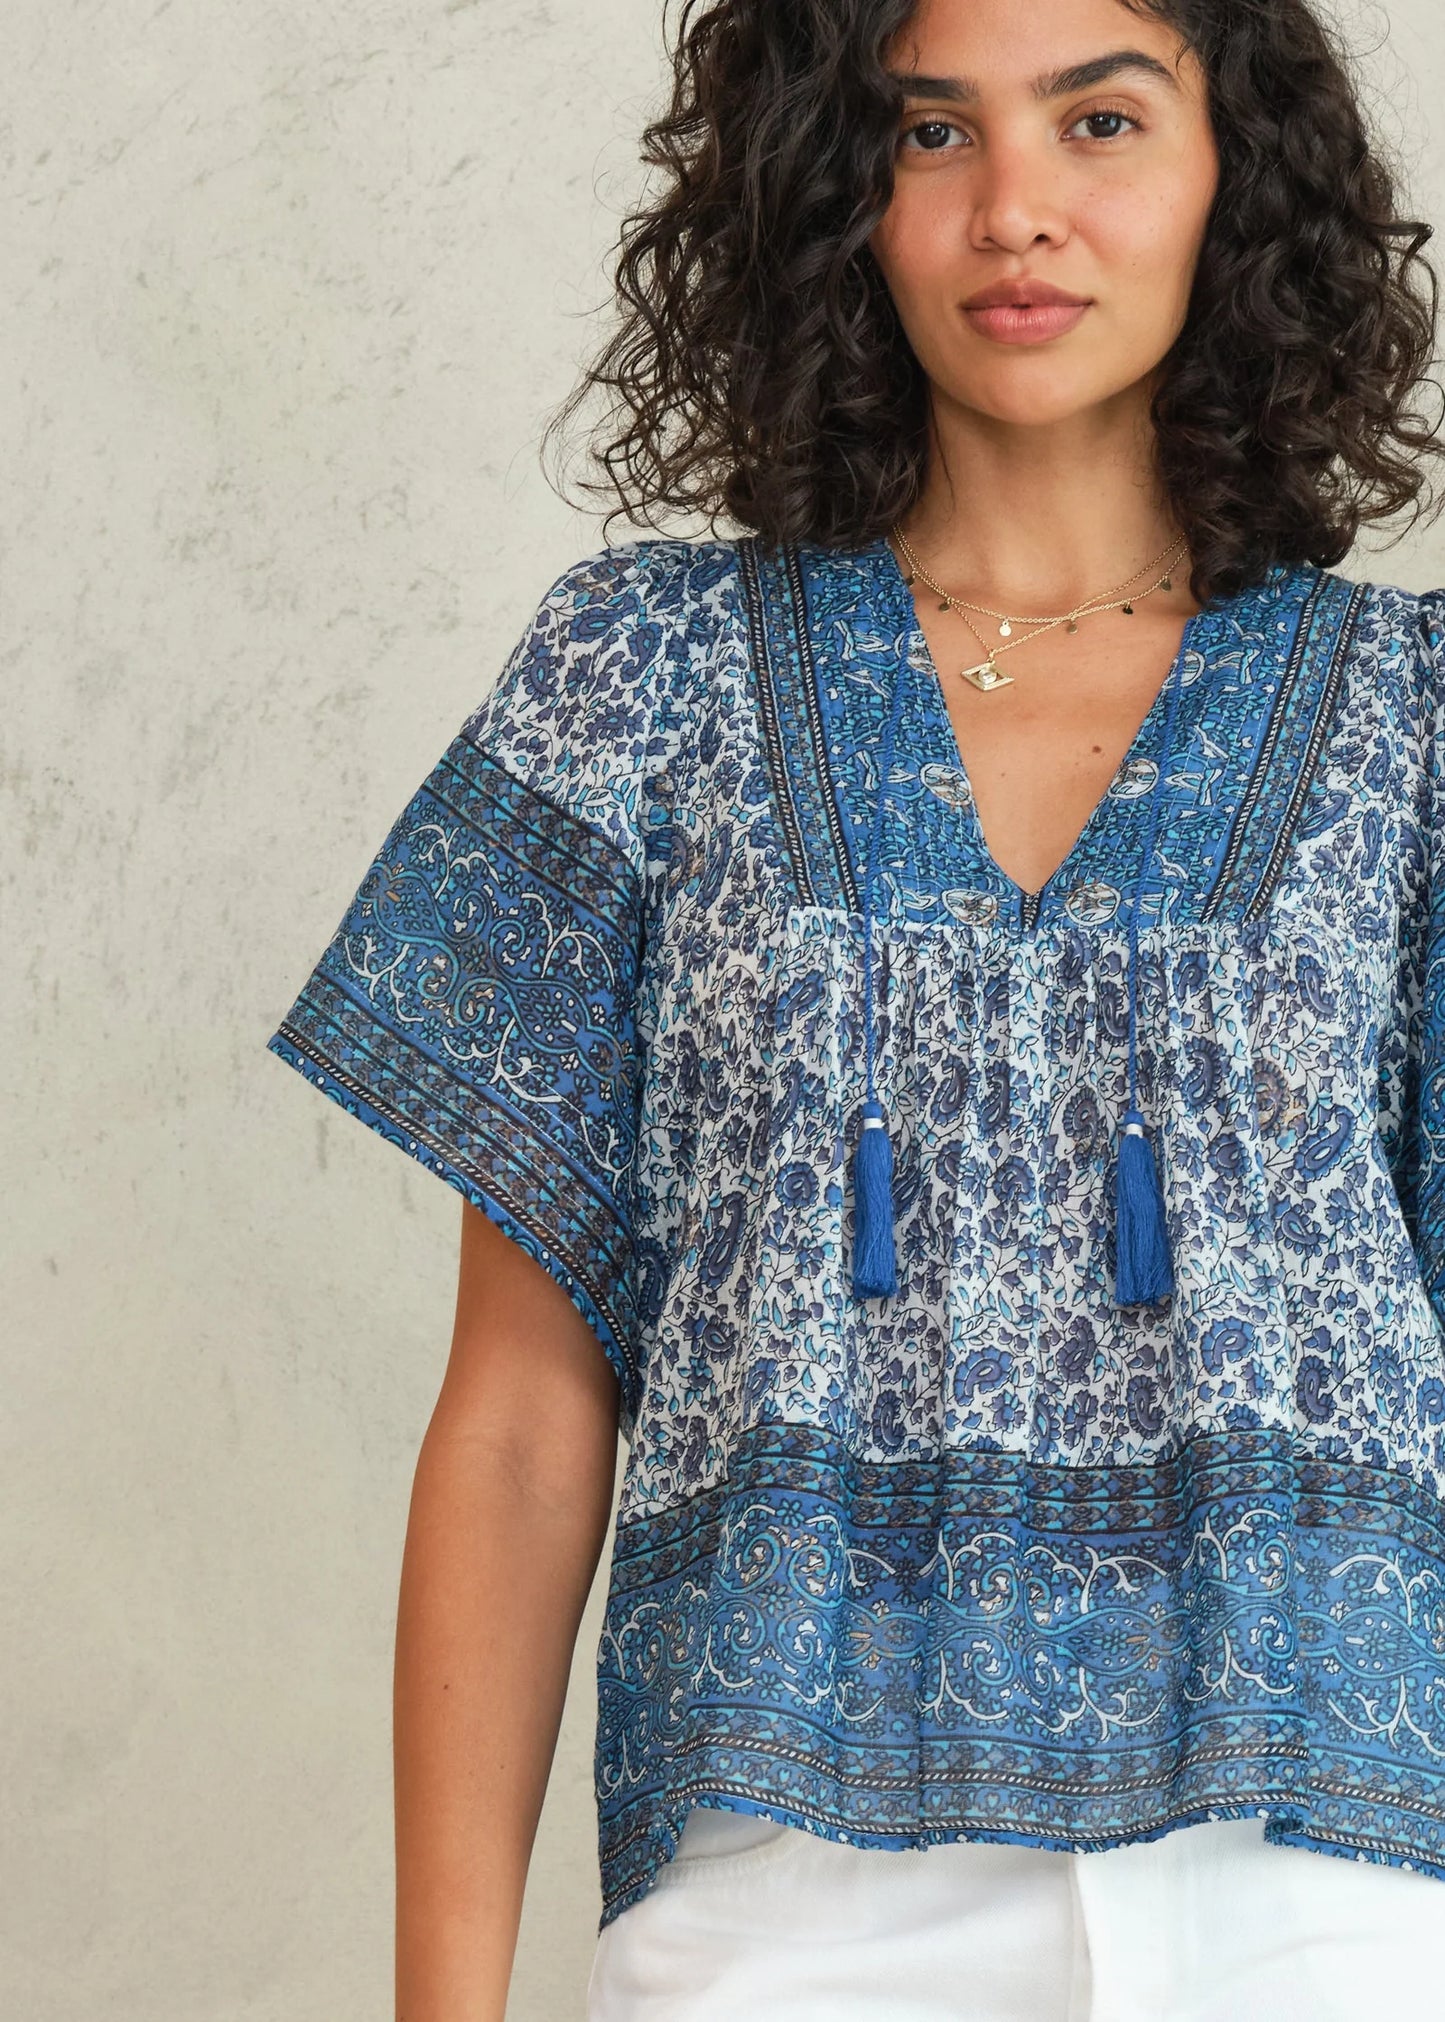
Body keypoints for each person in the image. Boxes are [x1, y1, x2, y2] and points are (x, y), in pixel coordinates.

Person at [265, 0, 1445, 2015]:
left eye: (1099, 122)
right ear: (836, 194)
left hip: (1325, 1876)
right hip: (788, 1890)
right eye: (929, 132)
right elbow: (525, 1421)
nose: (1016, 209)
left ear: (1233, 174)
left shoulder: (1414, 726)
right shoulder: (643, 677)